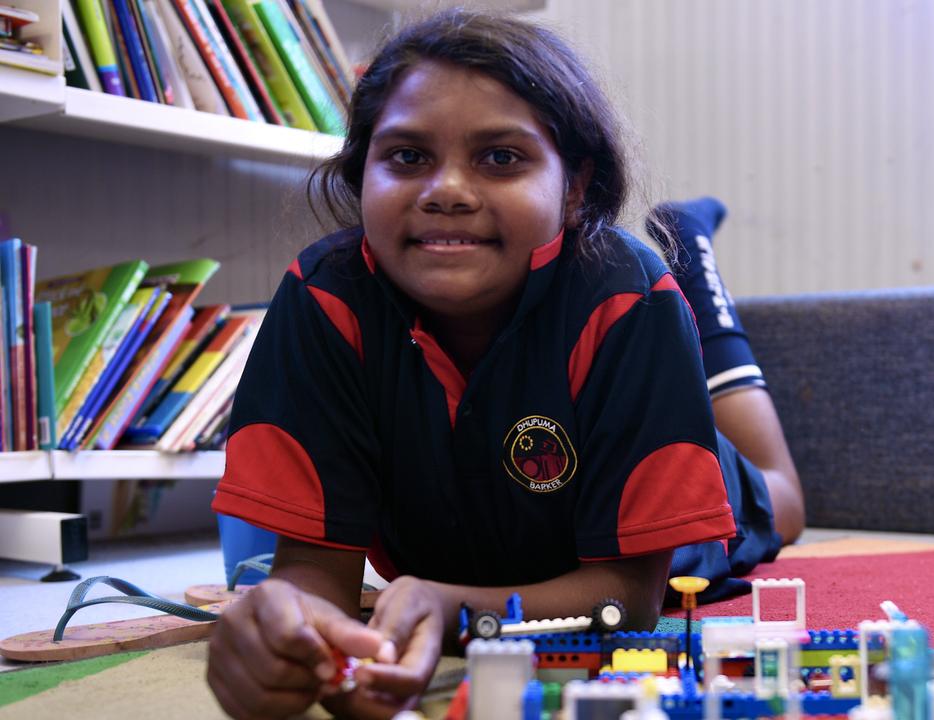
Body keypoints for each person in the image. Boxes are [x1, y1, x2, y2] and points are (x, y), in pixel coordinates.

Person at [205, 9, 802, 719]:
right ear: (360, 172)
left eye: (500, 157)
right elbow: (312, 573)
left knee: (782, 496)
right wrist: (289, 628)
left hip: (652, 491)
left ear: (576, 186)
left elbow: (627, 599)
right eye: (407, 157)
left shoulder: (629, 300)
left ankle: (692, 255)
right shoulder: (322, 300)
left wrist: (451, 607)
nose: (446, 190)